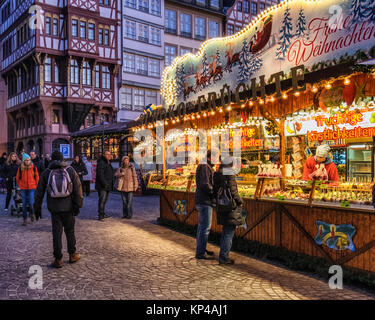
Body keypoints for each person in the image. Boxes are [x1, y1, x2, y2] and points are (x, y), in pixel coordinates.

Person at [34, 151, 83, 268]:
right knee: (70, 231)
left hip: (54, 208)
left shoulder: (47, 172)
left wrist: (37, 208)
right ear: (62, 159)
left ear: (52, 159)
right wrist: (78, 205)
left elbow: (39, 191)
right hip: (69, 207)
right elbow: (78, 189)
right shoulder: (70, 170)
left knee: (56, 233)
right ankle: (72, 255)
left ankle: (58, 259)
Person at [214, 157, 243, 265]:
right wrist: (239, 201)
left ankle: (223, 255)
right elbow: (233, 190)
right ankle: (223, 257)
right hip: (230, 206)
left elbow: (215, 190)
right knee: (228, 232)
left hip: (221, 205)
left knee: (226, 231)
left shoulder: (217, 173)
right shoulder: (229, 173)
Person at [195, 150, 216, 260]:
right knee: (204, 228)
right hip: (205, 201)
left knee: (202, 227)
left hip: (202, 201)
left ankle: (201, 249)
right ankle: (200, 253)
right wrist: (214, 192)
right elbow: (205, 184)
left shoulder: (206, 166)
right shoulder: (205, 167)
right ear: (209, 157)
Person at [16, 153, 39, 226]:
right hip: (23, 188)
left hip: (32, 188)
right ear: (24, 161)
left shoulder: (33, 167)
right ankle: (25, 219)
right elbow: (17, 178)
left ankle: (32, 214)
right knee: (24, 204)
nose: (28, 161)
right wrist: (20, 185)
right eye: (26, 160)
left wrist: (35, 185)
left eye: (29, 160)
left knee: (31, 203)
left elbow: (37, 177)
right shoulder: (20, 168)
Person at [95, 151, 114, 221]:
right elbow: (100, 175)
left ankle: (102, 213)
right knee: (102, 200)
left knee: (104, 200)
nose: (109, 155)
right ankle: (100, 215)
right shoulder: (102, 162)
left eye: (110, 154)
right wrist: (105, 184)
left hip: (107, 185)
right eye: (108, 154)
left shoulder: (107, 162)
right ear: (104, 155)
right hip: (102, 186)